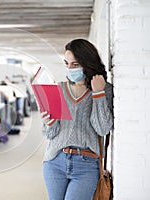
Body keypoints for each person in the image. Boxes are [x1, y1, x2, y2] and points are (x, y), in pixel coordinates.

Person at [41, 39, 113, 200]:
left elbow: (102, 129)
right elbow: (50, 134)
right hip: (55, 161)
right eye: (67, 64)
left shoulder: (104, 89)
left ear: (87, 63)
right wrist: (49, 122)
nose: (69, 69)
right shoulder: (58, 89)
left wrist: (98, 94)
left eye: (75, 65)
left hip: (86, 165)